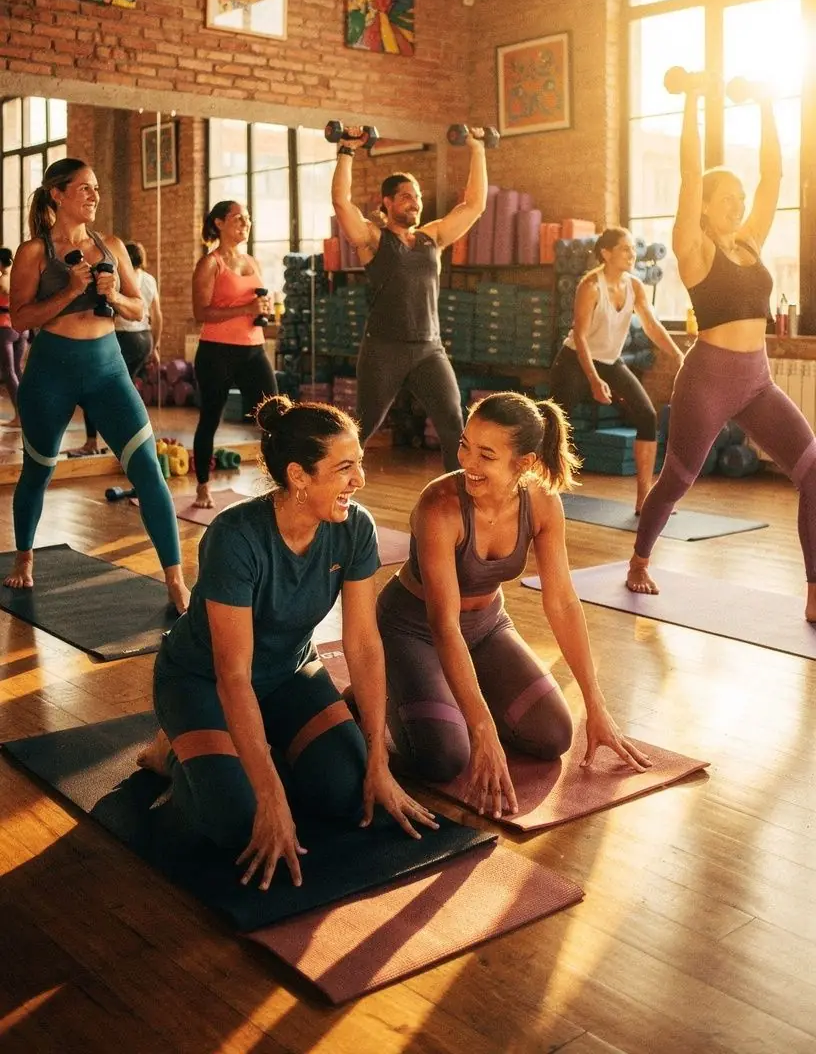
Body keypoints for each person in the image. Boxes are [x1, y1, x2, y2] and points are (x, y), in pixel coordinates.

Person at [137, 396, 437, 889]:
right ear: (299, 476)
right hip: (203, 681)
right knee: (237, 822)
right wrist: (271, 795)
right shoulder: (236, 538)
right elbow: (233, 676)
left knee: (349, 792)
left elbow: (362, 644)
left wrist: (379, 759)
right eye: (345, 468)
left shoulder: (355, 528)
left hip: (290, 673)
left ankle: (252, 752)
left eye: (358, 465)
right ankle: (171, 751)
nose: (359, 480)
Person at [377, 391, 650, 818]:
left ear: (523, 463)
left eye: (486, 454)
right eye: (465, 444)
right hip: (415, 630)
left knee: (554, 735)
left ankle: (450, 698)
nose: (467, 461)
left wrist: (596, 705)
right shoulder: (440, 506)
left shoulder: (541, 502)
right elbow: (444, 625)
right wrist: (483, 728)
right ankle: (377, 689)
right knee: (447, 757)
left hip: (486, 628)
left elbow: (561, 602)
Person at [628, 79, 816, 620]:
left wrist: (765, 104)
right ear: (705, 209)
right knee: (677, 481)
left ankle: (813, 592)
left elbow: (774, 176)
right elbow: (689, 175)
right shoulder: (694, 248)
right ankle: (640, 559)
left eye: (739, 198)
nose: (738, 205)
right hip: (707, 379)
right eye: (726, 199)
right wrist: (691, 99)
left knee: (812, 474)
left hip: (757, 380)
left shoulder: (751, 241)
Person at [5, 157, 189, 612]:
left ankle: (175, 579)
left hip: (108, 370)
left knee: (149, 469)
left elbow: (138, 310)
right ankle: (25, 557)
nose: (94, 196)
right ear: (57, 194)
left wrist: (113, 295)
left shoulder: (111, 245)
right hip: (50, 373)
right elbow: (22, 317)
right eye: (84, 188)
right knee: (39, 471)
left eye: (97, 189)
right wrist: (69, 291)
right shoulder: (34, 252)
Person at [331, 127, 489, 471]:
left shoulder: (432, 236)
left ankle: (456, 500)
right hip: (383, 350)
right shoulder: (373, 239)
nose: (414, 201)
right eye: (405, 195)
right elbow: (342, 203)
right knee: (362, 428)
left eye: (416, 195)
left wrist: (477, 148)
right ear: (386, 203)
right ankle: (329, 488)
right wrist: (346, 150)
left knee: (453, 425)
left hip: (429, 349)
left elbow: (474, 205)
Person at [549, 227, 684, 512]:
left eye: (633, 248)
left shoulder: (635, 285)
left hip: (610, 360)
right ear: (606, 253)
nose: (632, 254)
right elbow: (581, 337)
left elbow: (650, 325)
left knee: (647, 416)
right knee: (554, 423)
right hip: (574, 360)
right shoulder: (590, 286)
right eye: (625, 249)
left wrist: (677, 354)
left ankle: (644, 496)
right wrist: (594, 380)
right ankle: (538, 487)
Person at [192, 201, 278, 510]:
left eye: (248, 219)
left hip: (253, 350)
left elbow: (257, 303)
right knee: (210, 418)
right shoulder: (210, 263)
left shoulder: (252, 262)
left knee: (275, 417)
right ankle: (203, 486)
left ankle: (278, 485)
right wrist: (246, 309)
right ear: (218, 223)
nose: (246, 223)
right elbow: (200, 312)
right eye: (238, 218)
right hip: (217, 352)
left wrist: (263, 310)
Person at [78, 240, 162, 456]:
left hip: (124, 336)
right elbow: (157, 315)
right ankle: (132, 440)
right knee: (124, 389)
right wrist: (155, 346)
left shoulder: (120, 277)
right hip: (144, 339)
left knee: (94, 389)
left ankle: (92, 442)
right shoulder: (150, 279)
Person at [0, 247, 25, 427]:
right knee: (17, 370)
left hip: (5, 328)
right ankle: (28, 412)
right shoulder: (18, 279)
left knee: (9, 372)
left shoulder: (2, 281)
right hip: (21, 328)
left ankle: (19, 415)